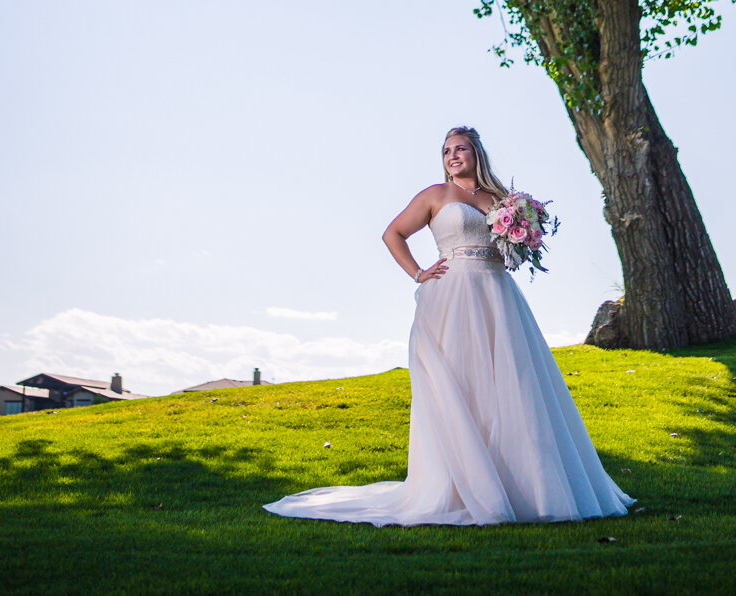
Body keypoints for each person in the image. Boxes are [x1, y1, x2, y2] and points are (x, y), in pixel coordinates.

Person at [263, 125, 634, 526]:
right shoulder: (436, 196)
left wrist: (523, 237)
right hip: (451, 296)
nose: (453, 156)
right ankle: (462, 485)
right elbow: (393, 234)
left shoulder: (502, 200)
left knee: (512, 387)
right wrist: (418, 273)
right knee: (460, 384)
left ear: (476, 153)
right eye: (446, 151)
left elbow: (514, 251)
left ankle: (525, 486)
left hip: (497, 296)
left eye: (460, 149)